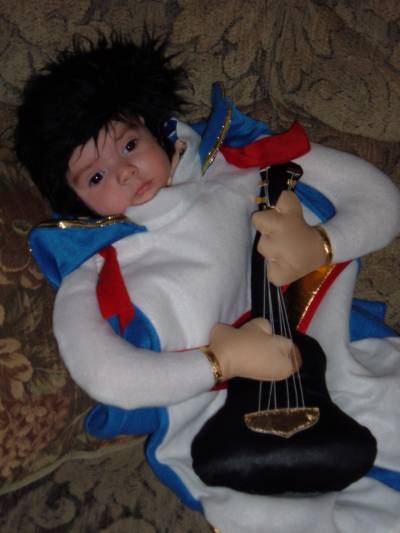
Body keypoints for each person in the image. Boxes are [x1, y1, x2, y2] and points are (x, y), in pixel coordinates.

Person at [15, 34, 400, 533]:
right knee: (282, 514)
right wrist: (219, 363)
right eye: (95, 177)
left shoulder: (237, 160)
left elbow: (378, 197)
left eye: (129, 145)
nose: (125, 171)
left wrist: (323, 244)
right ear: (75, 202)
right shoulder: (97, 263)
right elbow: (106, 374)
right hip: (226, 416)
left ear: (154, 127)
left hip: (341, 356)